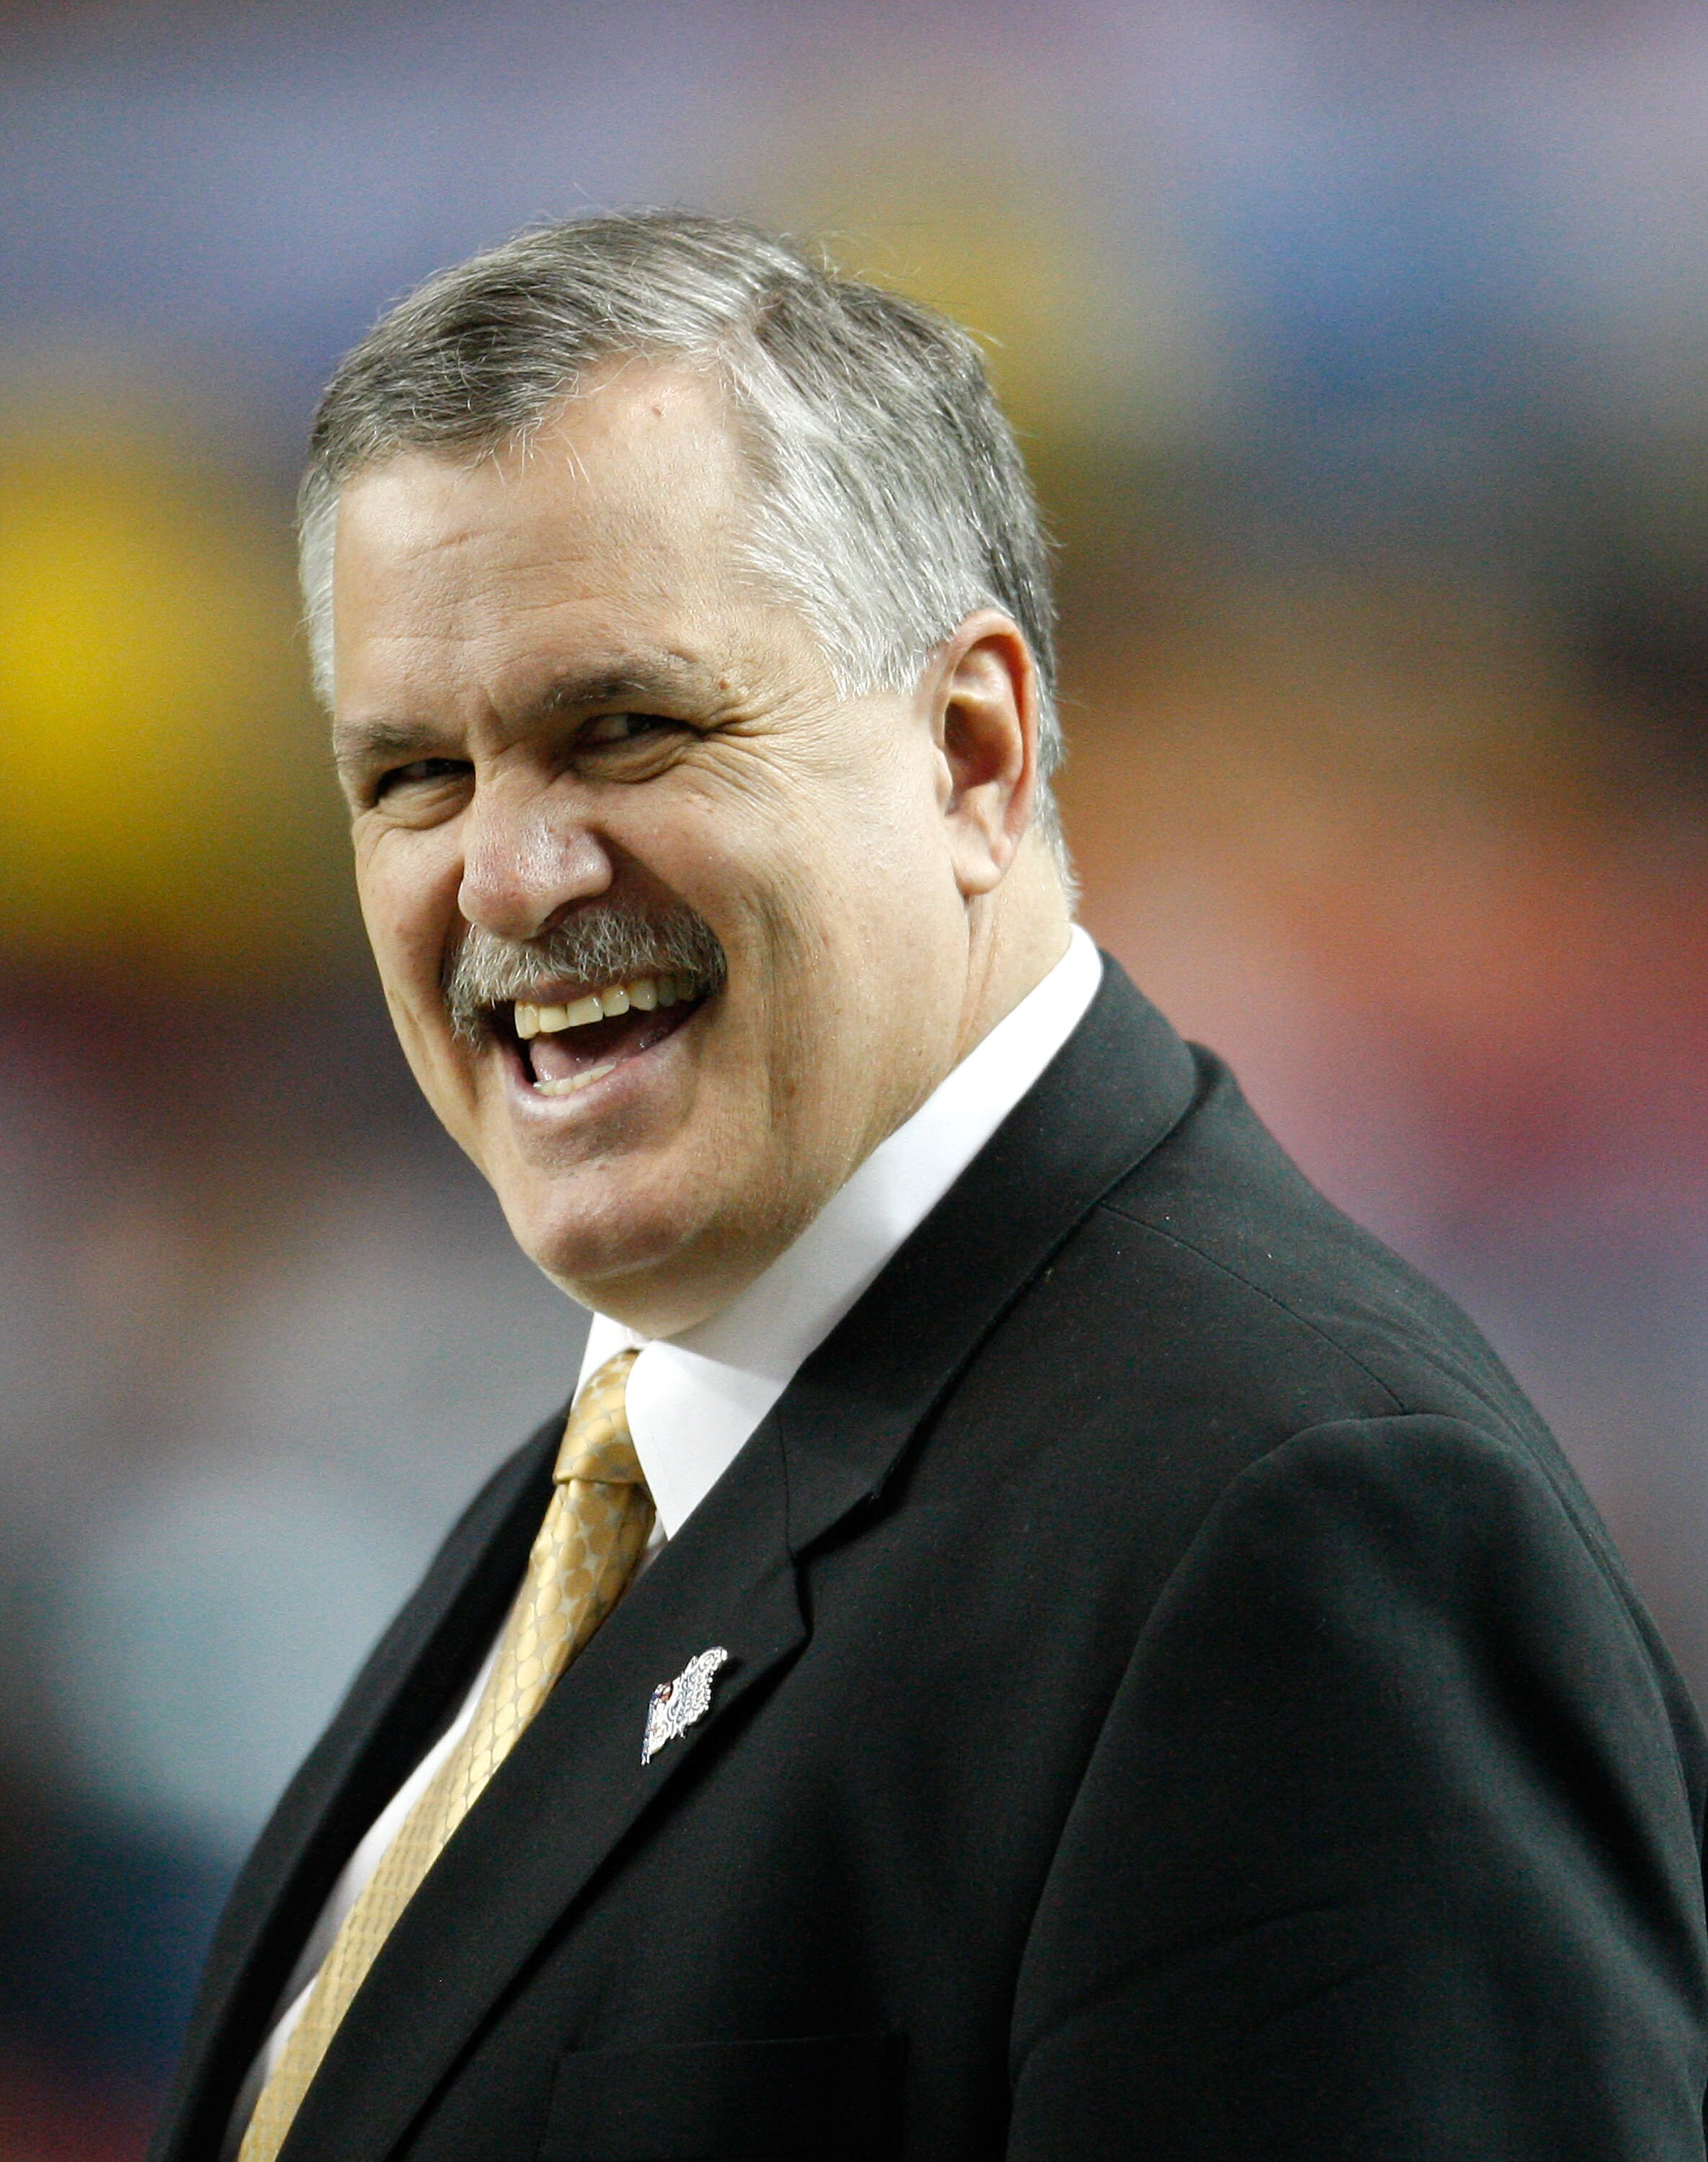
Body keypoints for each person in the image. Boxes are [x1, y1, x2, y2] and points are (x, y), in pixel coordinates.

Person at [152, 211, 1708, 2162]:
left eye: (622, 728)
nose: (512, 877)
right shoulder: (603, 1495)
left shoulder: (1283, 1519)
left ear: (972, 755)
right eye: (413, 779)